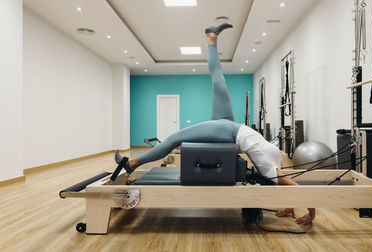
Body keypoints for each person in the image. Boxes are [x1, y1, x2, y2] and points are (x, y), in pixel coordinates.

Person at [115, 23, 315, 225]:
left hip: (234, 130)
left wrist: (292, 204)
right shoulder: (268, 169)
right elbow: (290, 185)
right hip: (231, 131)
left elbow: (286, 184)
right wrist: (310, 210)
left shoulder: (270, 164)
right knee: (177, 137)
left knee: (216, 84)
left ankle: (132, 163)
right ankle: (132, 163)